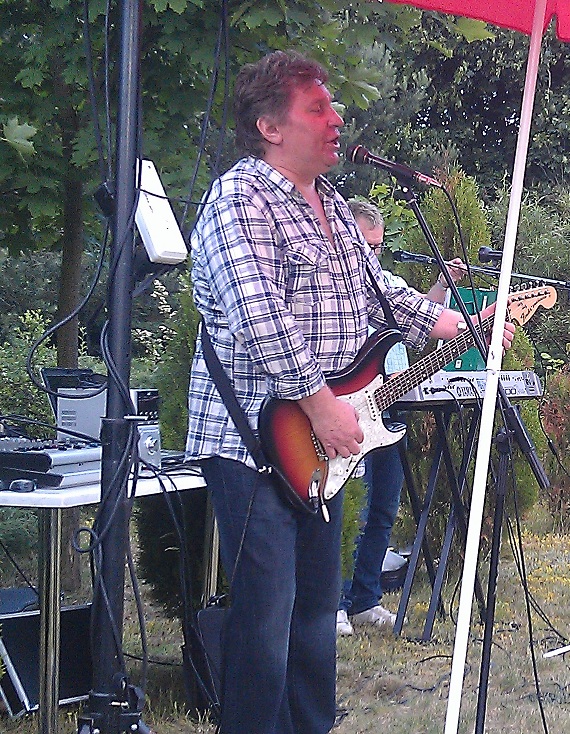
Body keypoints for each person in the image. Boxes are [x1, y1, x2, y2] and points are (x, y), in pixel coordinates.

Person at [185, 49, 514, 734]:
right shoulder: (239, 200)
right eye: (317, 108)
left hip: (322, 443)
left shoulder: (331, 202)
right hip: (253, 442)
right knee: (265, 622)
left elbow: (377, 291)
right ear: (270, 127)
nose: (336, 120)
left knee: (314, 616)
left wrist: (457, 323)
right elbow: (258, 317)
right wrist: (321, 404)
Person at [336, 199, 465, 636]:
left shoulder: (384, 281)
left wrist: (445, 288)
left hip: (390, 403)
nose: (372, 254)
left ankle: (365, 599)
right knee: (348, 508)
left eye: (377, 246)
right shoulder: (333, 284)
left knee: (383, 508)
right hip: (346, 408)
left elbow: (419, 314)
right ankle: (335, 603)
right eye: (364, 244)